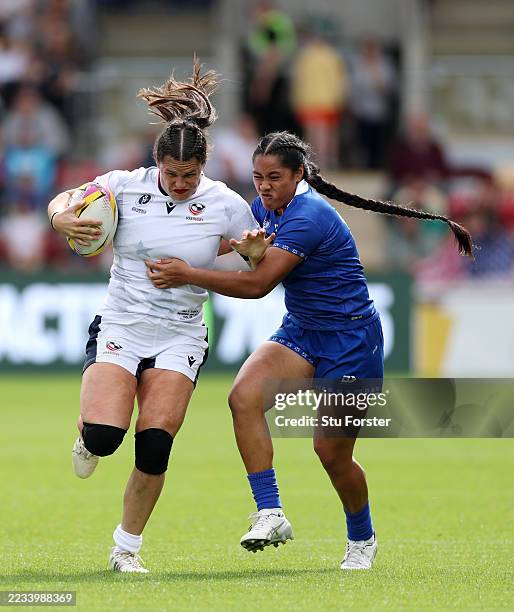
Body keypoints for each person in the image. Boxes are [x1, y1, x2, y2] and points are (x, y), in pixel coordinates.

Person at [145, 131, 473, 570]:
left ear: (299, 175)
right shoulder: (266, 208)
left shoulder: (309, 215)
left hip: (351, 341)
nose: (263, 186)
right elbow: (224, 241)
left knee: (331, 454)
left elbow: (260, 284)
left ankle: (362, 538)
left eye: (274, 177)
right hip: (302, 332)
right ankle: (270, 512)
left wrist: (188, 273)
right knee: (243, 397)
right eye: (258, 176)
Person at [46, 60, 259, 574]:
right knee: (104, 439)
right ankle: (88, 431)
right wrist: (60, 216)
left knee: (156, 442)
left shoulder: (225, 203)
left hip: (181, 332)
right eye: (173, 174)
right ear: (156, 163)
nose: (182, 183)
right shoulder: (121, 185)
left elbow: (254, 259)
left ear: (204, 167)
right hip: (121, 323)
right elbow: (66, 201)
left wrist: (248, 252)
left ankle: (126, 549)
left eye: (191, 174)